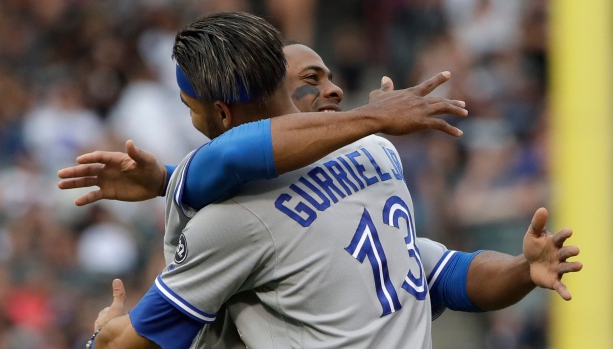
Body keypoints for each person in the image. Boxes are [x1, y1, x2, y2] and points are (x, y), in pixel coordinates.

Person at [71, 13, 581, 349]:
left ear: (220, 112)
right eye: (309, 81)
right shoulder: (374, 151)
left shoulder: (233, 218)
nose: (332, 91)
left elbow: (440, 274)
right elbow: (443, 277)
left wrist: (102, 334)